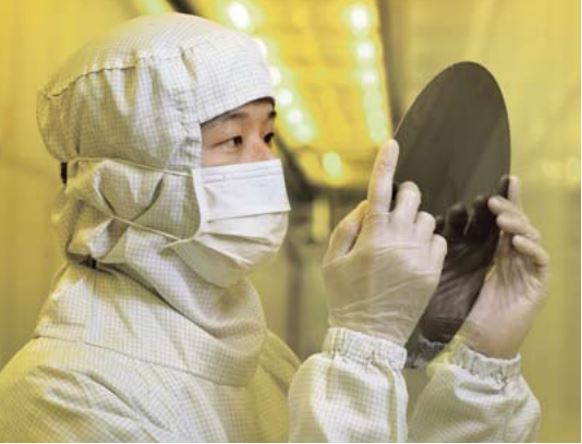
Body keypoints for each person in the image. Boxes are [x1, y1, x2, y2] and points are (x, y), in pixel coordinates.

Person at [0, 13, 549, 442]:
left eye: (267, 136)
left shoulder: (262, 359)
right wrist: (362, 343)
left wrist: (484, 359)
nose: (264, 166)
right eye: (232, 141)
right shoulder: (62, 392)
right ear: (124, 182)